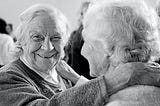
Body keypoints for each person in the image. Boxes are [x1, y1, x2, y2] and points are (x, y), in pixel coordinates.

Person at [0, 3, 160, 106]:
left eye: (56, 38)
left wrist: (77, 79)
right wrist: (117, 78)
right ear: (20, 40)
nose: (48, 47)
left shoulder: (63, 74)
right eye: (37, 37)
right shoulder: (7, 78)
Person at [81, 0, 160, 105]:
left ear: (108, 49)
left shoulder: (118, 102)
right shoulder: (152, 90)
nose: (82, 52)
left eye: (87, 42)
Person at [64, 1, 93, 79]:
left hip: (78, 76)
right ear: (82, 15)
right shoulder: (81, 35)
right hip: (82, 76)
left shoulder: (75, 34)